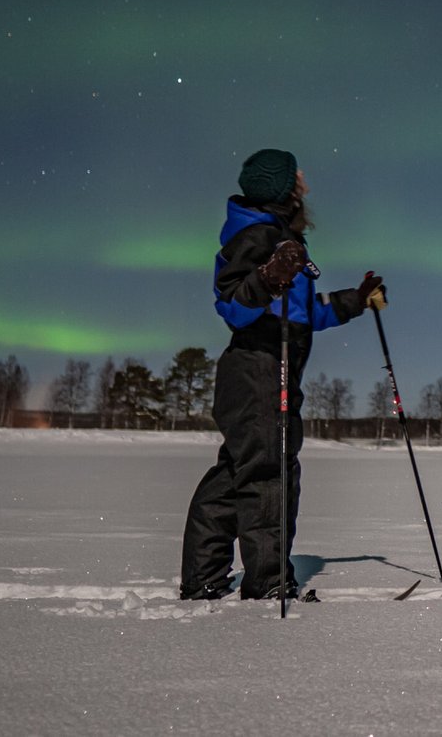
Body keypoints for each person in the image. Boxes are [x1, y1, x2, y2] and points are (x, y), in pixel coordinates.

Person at [180, 148, 385, 601]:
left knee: (238, 475)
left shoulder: (279, 237)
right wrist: (269, 277)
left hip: (266, 371)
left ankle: (204, 577)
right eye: (298, 178)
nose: (305, 184)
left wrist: (359, 299)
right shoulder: (256, 235)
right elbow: (233, 304)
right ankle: (268, 583)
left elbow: (304, 313)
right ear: (282, 189)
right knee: (270, 475)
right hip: (258, 369)